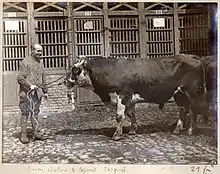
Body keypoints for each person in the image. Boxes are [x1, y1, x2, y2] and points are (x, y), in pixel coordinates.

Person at [17, 43, 48, 144]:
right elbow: (20, 78)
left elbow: (43, 77)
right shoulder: (25, 62)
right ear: (32, 51)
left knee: (35, 113)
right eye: (38, 51)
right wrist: (30, 86)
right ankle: (23, 135)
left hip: (37, 93)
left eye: (41, 51)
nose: (40, 53)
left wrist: (45, 91)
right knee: (25, 113)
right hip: (26, 93)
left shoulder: (41, 62)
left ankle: (36, 133)